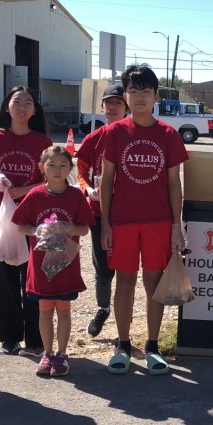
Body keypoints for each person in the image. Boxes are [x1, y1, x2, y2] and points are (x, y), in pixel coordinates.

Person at [99, 64, 188, 375]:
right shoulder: (114, 132)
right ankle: (123, 344)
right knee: (124, 282)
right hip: (122, 222)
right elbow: (106, 180)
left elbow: (174, 183)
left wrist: (177, 227)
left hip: (158, 222)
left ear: (155, 97)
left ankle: (152, 346)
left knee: (153, 283)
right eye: (133, 91)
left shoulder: (168, 135)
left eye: (145, 91)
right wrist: (105, 223)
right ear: (125, 96)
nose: (139, 97)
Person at [0, 86, 53, 357]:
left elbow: (51, 179)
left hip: (34, 216)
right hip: (2, 215)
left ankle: (35, 340)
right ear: (7, 106)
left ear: (34, 110)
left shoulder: (42, 142)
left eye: (28, 102)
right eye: (17, 101)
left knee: (33, 276)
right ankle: (8, 338)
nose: (22, 107)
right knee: (4, 274)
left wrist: (28, 188)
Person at [13, 146, 94, 377]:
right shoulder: (36, 195)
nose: (57, 170)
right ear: (42, 168)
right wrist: (36, 230)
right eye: (51, 165)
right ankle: (47, 353)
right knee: (45, 309)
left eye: (62, 166)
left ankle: (62, 354)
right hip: (41, 264)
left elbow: (85, 229)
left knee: (64, 310)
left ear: (70, 168)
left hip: (66, 263)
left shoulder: (76, 196)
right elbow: (21, 225)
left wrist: (68, 227)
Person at [75, 83, 129, 338]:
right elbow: (81, 170)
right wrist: (87, 190)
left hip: (128, 214)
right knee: (103, 267)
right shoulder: (93, 139)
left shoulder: (133, 136)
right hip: (98, 212)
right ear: (102, 107)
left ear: (126, 107)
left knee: (127, 268)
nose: (112, 107)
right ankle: (103, 308)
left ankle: (123, 322)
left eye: (117, 102)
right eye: (108, 102)